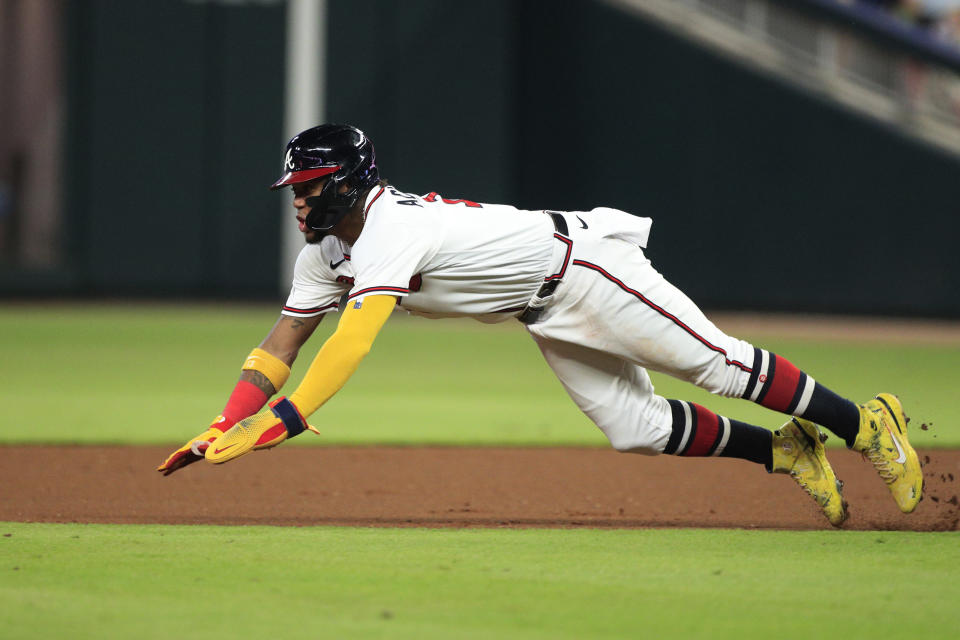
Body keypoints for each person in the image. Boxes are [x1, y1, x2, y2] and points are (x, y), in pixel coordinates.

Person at [157, 124, 923, 527]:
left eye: (310, 185)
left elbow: (352, 342)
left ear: (350, 183)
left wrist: (279, 425)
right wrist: (224, 422)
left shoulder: (387, 228)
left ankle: (864, 425)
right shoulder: (325, 255)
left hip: (585, 268)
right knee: (635, 428)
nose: (297, 200)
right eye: (294, 186)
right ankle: (783, 453)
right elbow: (280, 347)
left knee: (721, 366)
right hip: (543, 307)